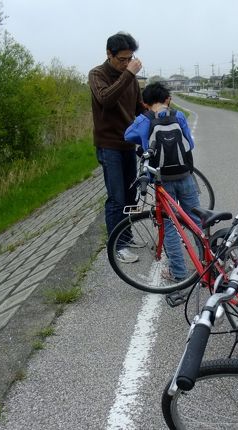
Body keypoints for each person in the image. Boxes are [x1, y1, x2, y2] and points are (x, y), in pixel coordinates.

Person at [124, 82, 200, 281]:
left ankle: (179, 272)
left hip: (161, 180)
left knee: (170, 226)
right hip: (185, 176)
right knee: (196, 221)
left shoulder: (143, 120)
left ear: (144, 103)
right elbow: (189, 144)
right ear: (167, 99)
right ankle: (208, 265)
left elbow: (127, 136)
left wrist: (143, 144)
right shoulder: (178, 116)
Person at [89, 31, 145, 264]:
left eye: (129, 58)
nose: (126, 63)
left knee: (131, 194)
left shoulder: (129, 78)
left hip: (127, 143)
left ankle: (127, 235)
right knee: (117, 197)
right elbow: (106, 99)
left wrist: (158, 114)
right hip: (108, 144)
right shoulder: (97, 74)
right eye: (122, 59)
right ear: (109, 54)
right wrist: (129, 73)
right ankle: (117, 245)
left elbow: (138, 108)